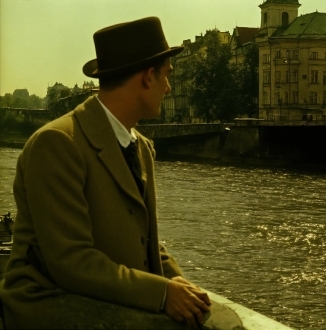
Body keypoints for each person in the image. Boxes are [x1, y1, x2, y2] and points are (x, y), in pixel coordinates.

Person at [0, 17, 211, 329]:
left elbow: (147, 242)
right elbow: (70, 262)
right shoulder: (58, 143)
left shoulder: (141, 147)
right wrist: (164, 293)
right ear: (148, 77)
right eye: (167, 76)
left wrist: (180, 284)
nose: (168, 87)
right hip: (49, 302)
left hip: (101, 295)